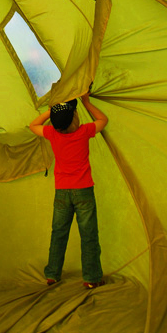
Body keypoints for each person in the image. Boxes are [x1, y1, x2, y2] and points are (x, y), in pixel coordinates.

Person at [29, 92, 108, 289]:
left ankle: (52, 274)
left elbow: (32, 126)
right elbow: (103, 120)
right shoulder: (84, 131)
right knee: (89, 235)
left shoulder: (52, 134)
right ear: (75, 117)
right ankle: (91, 278)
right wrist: (87, 102)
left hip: (62, 192)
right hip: (83, 191)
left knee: (58, 233)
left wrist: (50, 112)